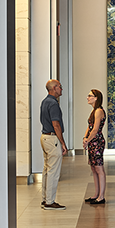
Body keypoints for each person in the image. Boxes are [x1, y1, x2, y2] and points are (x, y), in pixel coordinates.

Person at [40, 79, 68, 210]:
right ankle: (50, 202)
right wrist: (62, 142)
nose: (61, 89)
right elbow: (56, 124)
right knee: (53, 171)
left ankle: (45, 199)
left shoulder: (45, 101)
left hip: (45, 138)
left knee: (47, 169)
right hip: (52, 139)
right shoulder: (53, 104)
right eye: (60, 87)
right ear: (54, 88)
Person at [82, 89, 107, 205]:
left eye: (90, 96)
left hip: (97, 142)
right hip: (92, 141)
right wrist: (85, 138)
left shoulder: (99, 111)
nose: (88, 97)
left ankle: (101, 196)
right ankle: (96, 194)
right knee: (93, 168)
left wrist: (88, 139)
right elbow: (90, 127)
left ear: (96, 98)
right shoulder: (94, 111)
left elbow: (95, 129)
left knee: (99, 168)